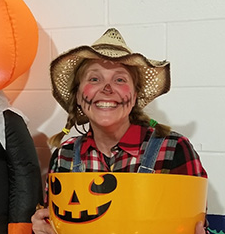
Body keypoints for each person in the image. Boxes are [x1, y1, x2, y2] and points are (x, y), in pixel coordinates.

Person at [31, 28, 208, 234]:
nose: (107, 88)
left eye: (120, 79)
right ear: (78, 96)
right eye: (94, 79)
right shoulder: (65, 156)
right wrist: (42, 229)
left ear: (134, 97)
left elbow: (194, 225)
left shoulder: (174, 149)